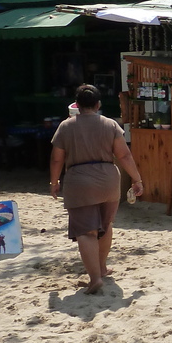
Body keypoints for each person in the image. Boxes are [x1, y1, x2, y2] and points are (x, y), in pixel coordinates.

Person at [49, 84, 144, 294]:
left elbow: (57, 159)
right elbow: (124, 155)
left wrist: (54, 182)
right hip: (109, 180)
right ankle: (101, 268)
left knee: (86, 231)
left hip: (79, 181)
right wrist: (137, 179)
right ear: (98, 104)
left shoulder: (66, 127)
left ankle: (94, 279)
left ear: (77, 105)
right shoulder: (110, 125)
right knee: (106, 225)